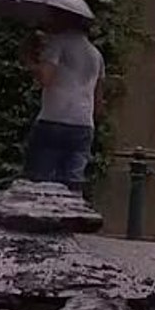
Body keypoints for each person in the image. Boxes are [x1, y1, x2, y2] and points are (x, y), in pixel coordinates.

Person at [19, 10, 104, 192]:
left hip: (54, 119)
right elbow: (98, 103)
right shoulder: (96, 55)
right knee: (73, 184)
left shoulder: (57, 43)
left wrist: (29, 61)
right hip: (83, 125)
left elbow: (46, 78)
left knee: (40, 184)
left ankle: (41, 220)